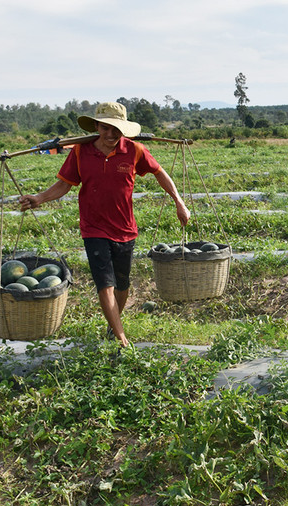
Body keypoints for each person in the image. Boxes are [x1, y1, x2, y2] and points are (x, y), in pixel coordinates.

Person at [20, 102, 190, 348]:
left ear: (124, 129)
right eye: (105, 128)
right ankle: (121, 338)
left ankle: (113, 326)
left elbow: (160, 172)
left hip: (125, 229)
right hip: (94, 228)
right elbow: (65, 184)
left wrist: (179, 202)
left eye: (116, 129)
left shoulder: (135, 150)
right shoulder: (80, 151)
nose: (110, 135)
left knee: (122, 284)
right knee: (105, 284)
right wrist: (39, 198)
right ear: (97, 126)